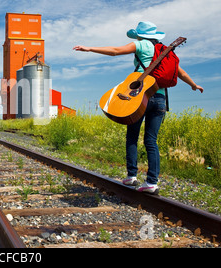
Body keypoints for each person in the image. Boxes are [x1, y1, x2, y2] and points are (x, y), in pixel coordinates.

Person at [73, 21, 204, 194]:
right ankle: (152, 182)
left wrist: (89, 48)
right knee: (151, 141)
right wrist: (194, 85)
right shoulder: (165, 52)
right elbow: (181, 73)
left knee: (132, 136)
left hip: (139, 98)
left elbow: (115, 51)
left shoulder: (141, 44)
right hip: (160, 99)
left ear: (140, 35)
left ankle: (132, 176)